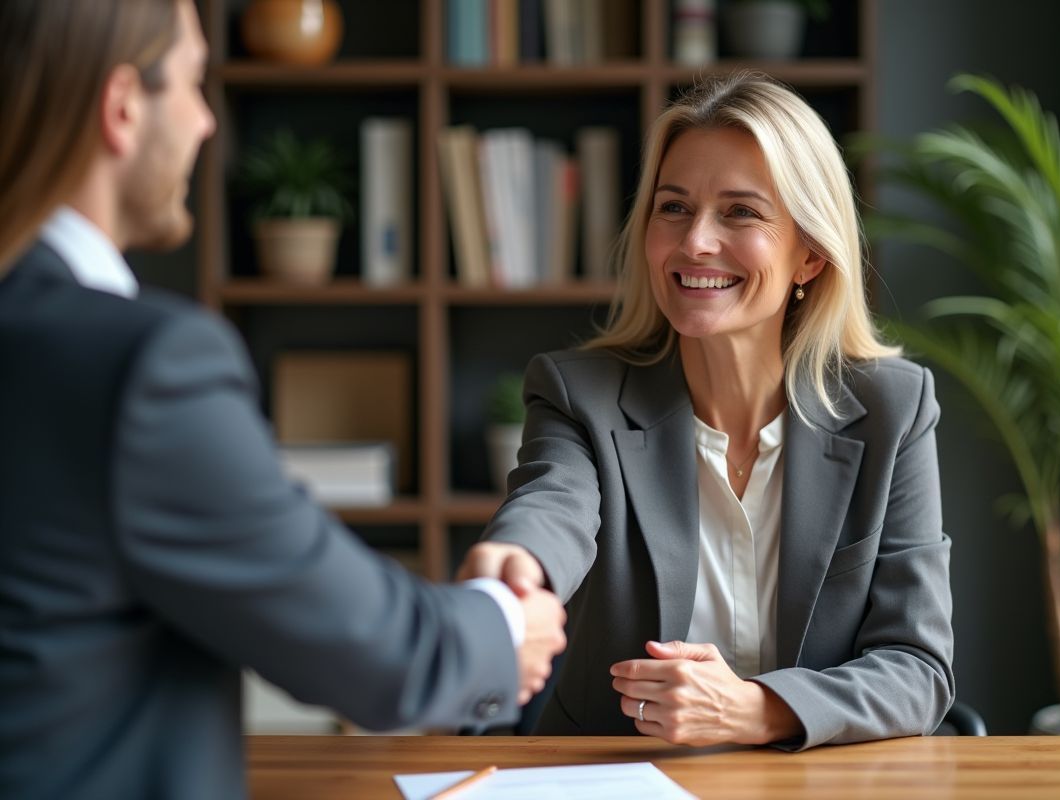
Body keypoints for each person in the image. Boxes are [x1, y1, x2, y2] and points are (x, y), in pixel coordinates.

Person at [0, 2, 565, 798]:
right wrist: (506, 628)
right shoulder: (141, 364)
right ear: (122, 107)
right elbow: (373, 650)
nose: (204, 125)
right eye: (195, 85)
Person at [459, 73, 954, 751]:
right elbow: (554, 504)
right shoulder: (581, 394)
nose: (694, 242)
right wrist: (517, 561)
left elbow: (919, 670)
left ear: (809, 253)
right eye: (673, 207)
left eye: (740, 212)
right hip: (615, 781)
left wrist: (758, 710)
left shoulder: (891, 409)